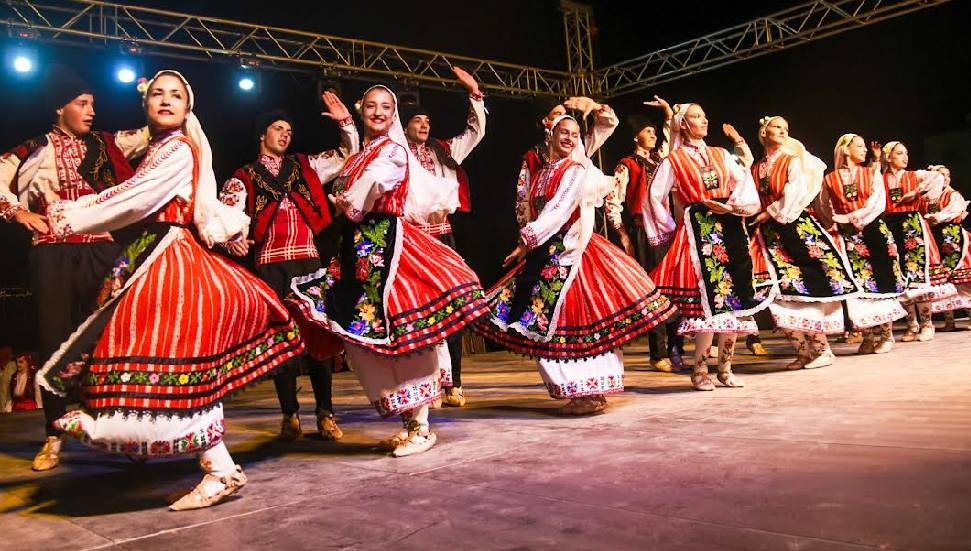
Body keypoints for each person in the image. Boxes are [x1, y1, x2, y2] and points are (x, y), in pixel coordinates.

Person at [38, 70, 304, 511]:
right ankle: (205, 462)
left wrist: (69, 214)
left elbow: (134, 197)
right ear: (145, 106)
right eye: (157, 94)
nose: (165, 100)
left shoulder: (177, 149)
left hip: (170, 256)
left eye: (175, 95)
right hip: (151, 252)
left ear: (187, 107)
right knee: (170, 357)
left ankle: (209, 464)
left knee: (173, 356)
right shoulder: (160, 148)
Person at [288, 85, 488, 457]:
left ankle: (421, 426)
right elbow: (354, 169)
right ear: (361, 110)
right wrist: (346, 129)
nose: (378, 112)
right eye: (371, 106)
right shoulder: (363, 152)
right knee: (364, 336)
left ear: (393, 114)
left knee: (403, 328)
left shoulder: (394, 151)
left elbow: (371, 185)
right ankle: (410, 422)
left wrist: (347, 203)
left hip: (387, 246)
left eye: (385, 106)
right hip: (357, 250)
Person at [0, 65, 149, 471]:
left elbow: (152, 133)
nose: (91, 111)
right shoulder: (32, 150)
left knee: (110, 338)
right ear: (59, 107)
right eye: (82, 104)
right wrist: (16, 212)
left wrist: (151, 94)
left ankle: (117, 430)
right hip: (53, 252)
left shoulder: (106, 144)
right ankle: (54, 434)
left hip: (101, 250)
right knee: (55, 341)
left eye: (92, 104)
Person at [476, 112, 676, 414]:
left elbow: (558, 210)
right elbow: (531, 210)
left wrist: (526, 241)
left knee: (579, 320)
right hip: (544, 252)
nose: (569, 138)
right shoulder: (541, 172)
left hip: (571, 249)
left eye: (574, 134)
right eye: (564, 132)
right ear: (551, 135)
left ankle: (591, 392)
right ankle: (579, 391)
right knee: (540, 320)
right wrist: (528, 243)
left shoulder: (575, 170)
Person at [220, 96, 358, 441]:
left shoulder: (305, 166)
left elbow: (347, 155)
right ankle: (290, 416)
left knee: (319, 339)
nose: (285, 134)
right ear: (261, 134)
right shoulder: (243, 177)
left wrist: (345, 123)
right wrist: (233, 239)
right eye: (278, 128)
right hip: (271, 267)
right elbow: (226, 216)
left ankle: (325, 414)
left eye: (289, 131)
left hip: (308, 263)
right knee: (283, 343)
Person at [643, 103, 774, 391]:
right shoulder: (674, 160)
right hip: (698, 228)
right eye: (696, 117)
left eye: (704, 116)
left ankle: (725, 369)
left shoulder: (720, 154)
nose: (704, 121)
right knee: (708, 300)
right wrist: (671, 228)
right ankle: (700, 370)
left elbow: (743, 181)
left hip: (729, 225)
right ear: (683, 124)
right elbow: (654, 196)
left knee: (736, 296)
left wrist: (734, 205)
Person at [399, 66, 486, 407]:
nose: (424, 125)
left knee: (454, 305)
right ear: (404, 125)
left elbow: (474, 133)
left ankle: (455, 383)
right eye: (417, 120)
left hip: (444, 235)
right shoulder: (397, 152)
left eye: (427, 121)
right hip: (413, 238)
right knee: (421, 311)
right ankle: (431, 383)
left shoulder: (443, 150)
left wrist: (474, 94)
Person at [747, 116, 859, 369]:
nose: (783, 131)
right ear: (764, 131)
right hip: (768, 234)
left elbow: (795, 191)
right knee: (777, 295)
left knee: (804, 288)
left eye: (786, 128)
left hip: (792, 226)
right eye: (777, 126)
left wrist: (770, 211)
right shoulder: (756, 167)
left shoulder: (792, 161)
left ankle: (822, 349)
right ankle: (803, 351)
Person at [604, 96, 686, 372]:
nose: (653, 135)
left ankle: (677, 347)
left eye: (653, 131)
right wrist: (624, 236)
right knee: (654, 290)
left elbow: (671, 140)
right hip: (643, 232)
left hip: (668, 229)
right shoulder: (626, 164)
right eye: (647, 131)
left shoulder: (661, 161)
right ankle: (658, 352)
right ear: (635, 136)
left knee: (674, 287)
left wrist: (667, 114)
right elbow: (612, 202)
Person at [815, 134, 907, 354]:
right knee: (860, 283)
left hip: (873, 230)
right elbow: (823, 206)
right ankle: (868, 335)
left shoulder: (871, 173)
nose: (864, 150)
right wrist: (834, 220)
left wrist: (853, 217)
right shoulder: (830, 179)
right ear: (845, 149)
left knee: (882, 279)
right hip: (848, 237)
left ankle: (886, 334)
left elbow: (878, 202)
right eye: (859, 146)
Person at [876, 141, 953, 342]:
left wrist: (916, 192)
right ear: (888, 157)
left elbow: (937, 177)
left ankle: (927, 323)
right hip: (890, 224)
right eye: (899, 153)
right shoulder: (879, 178)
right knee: (900, 275)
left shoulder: (914, 175)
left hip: (911, 223)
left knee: (917, 272)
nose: (905, 157)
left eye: (906, 153)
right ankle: (911, 324)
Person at [926, 165, 971, 329]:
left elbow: (953, 211)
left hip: (952, 237)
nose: (945, 178)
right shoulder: (928, 198)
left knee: (958, 277)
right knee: (941, 279)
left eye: (947, 175)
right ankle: (949, 320)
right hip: (935, 238)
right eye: (941, 175)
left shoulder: (953, 195)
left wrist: (936, 217)